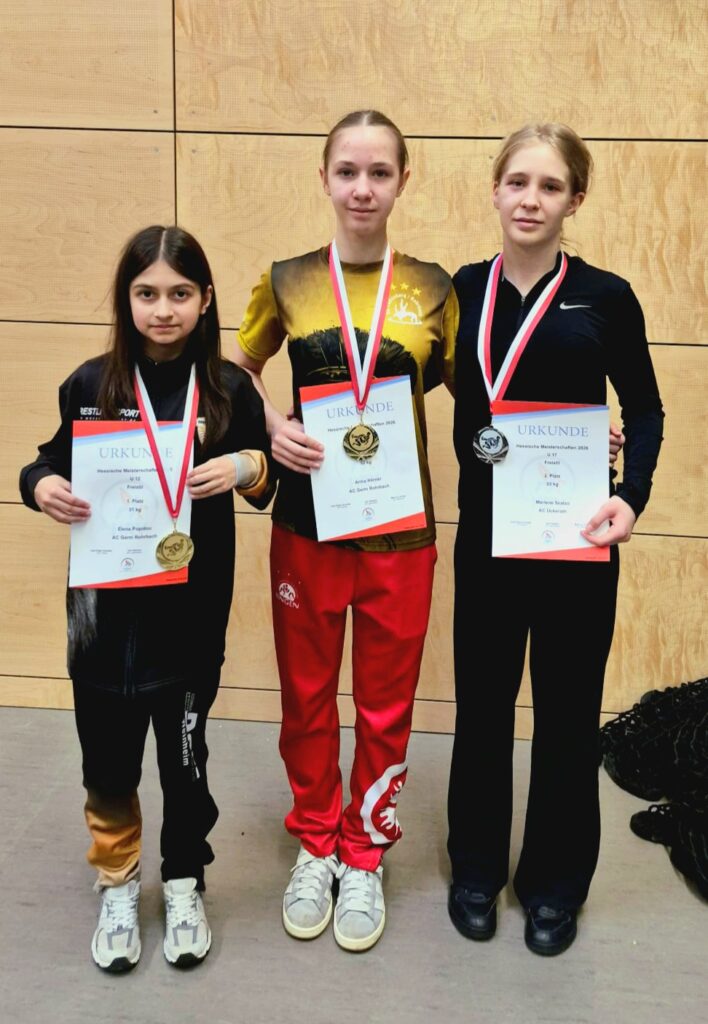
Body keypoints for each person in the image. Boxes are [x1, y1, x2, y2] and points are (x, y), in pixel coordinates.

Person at [19, 225, 272, 972]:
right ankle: (119, 881)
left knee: (185, 764)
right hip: (102, 625)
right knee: (107, 765)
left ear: (206, 299)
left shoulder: (227, 389)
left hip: (189, 623)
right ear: (126, 300)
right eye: (147, 293)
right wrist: (41, 485)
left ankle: (185, 877)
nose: (163, 310)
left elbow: (269, 477)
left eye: (180, 293)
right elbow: (45, 460)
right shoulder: (89, 384)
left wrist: (244, 466)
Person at [233, 110, 458, 951]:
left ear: (403, 181)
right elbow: (240, 366)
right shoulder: (287, 279)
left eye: (379, 172)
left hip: (402, 533)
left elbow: (471, 387)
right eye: (348, 171)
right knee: (307, 695)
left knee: (387, 703)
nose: (363, 188)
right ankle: (316, 842)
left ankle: (365, 852)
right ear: (324, 178)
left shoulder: (434, 288)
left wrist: (580, 440)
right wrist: (271, 427)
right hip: (308, 525)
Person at [446, 124, 664, 956]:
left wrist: (631, 497)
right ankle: (476, 869)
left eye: (549, 185)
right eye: (517, 182)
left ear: (576, 198)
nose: (530, 200)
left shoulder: (606, 296)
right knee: (482, 707)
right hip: (488, 540)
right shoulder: (462, 291)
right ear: (495, 190)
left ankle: (555, 885)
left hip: (575, 540)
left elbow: (644, 409)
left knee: (568, 715)